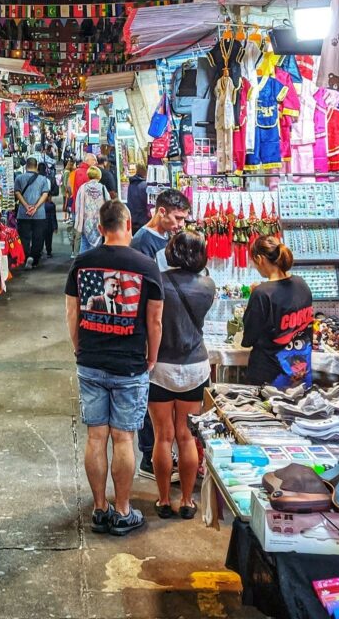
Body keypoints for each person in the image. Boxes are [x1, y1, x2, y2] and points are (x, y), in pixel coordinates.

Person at [65, 199, 163, 536]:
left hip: (91, 360)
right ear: (128, 225)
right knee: (124, 439)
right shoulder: (146, 266)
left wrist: (80, 346)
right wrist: (151, 356)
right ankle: (123, 511)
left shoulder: (83, 262)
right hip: (130, 365)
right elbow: (155, 319)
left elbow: (71, 313)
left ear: (100, 227)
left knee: (96, 437)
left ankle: (99, 508)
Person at [148, 231, 215, 519]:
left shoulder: (158, 283)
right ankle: (187, 501)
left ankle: (164, 500)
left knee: (162, 437)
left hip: (160, 366)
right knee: (187, 437)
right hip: (195, 367)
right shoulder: (208, 286)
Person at [130, 187, 191, 478]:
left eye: (184, 220)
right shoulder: (142, 242)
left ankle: (161, 454)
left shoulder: (169, 237)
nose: (181, 224)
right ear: (161, 212)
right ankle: (148, 457)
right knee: (148, 393)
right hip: (148, 327)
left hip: (166, 325)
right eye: (178, 218)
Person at [243, 235, 314, 389]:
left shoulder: (262, 293)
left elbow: (248, 338)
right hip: (300, 371)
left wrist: (255, 297)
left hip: (269, 375)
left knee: (267, 412)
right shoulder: (302, 284)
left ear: (260, 259)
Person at [14, 157, 50, 269]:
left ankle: (26, 257)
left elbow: (17, 193)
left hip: (23, 214)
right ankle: (34, 260)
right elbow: (45, 194)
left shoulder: (19, 178)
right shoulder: (43, 179)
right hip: (39, 214)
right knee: (38, 238)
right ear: (37, 166)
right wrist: (35, 207)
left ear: (26, 166)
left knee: (24, 237)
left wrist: (26, 206)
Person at [75, 166, 109, 253]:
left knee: (84, 245)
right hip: (99, 223)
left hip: (85, 222)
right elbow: (108, 205)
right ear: (99, 176)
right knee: (97, 248)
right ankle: (94, 265)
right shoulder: (103, 188)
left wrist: (78, 222)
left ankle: (83, 265)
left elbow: (78, 205)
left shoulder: (83, 188)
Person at [38, 162, 60, 259]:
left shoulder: (36, 180)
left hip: (40, 221)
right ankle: (49, 251)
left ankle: (39, 251)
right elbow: (53, 217)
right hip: (49, 225)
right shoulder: (51, 205)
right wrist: (55, 227)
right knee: (48, 239)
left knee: (40, 238)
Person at [126, 163, 151, 231]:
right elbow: (147, 203)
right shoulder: (144, 185)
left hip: (133, 219)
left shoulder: (131, 184)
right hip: (143, 220)